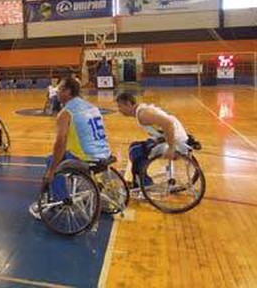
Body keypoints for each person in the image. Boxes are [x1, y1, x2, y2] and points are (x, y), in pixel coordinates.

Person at [29, 77, 111, 219]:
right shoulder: (92, 107)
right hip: (105, 154)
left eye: (60, 89)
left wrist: (52, 170)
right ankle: (93, 188)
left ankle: (60, 201)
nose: (57, 92)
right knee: (65, 154)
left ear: (67, 91)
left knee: (51, 161)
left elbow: (60, 144)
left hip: (87, 158)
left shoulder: (66, 113)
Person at [115, 92, 189, 188]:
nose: (119, 110)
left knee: (136, 150)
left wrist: (171, 147)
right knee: (137, 147)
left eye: (120, 106)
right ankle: (142, 180)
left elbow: (168, 123)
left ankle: (144, 184)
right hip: (172, 139)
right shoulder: (142, 109)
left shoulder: (143, 114)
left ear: (128, 104)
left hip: (176, 143)